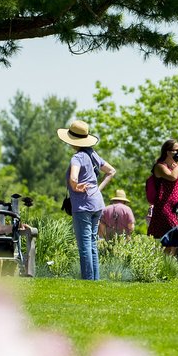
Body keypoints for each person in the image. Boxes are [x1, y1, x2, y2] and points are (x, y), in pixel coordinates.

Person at [58, 119, 116, 280]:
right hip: (97, 204)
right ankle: (94, 279)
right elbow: (111, 171)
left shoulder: (76, 158)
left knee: (84, 245)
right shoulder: (93, 154)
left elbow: (73, 177)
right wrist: (98, 188)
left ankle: (88, 280)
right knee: (92, 243)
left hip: (83, 206)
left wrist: (75, 187)